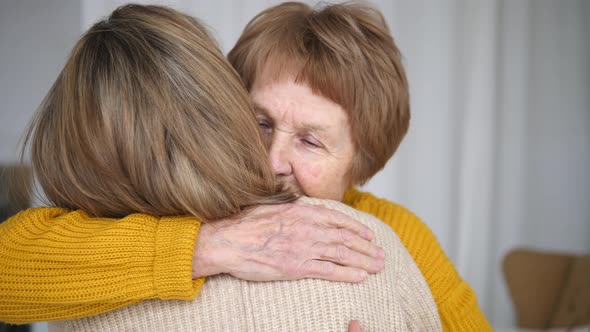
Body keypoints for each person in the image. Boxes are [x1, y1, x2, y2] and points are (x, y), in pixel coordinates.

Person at [0, 2, 492, 331]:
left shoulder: (398, 233)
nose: (274, 160)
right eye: (260, 122)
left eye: (310, 141)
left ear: (363, 163)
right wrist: (202, 248)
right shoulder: (181, 201)